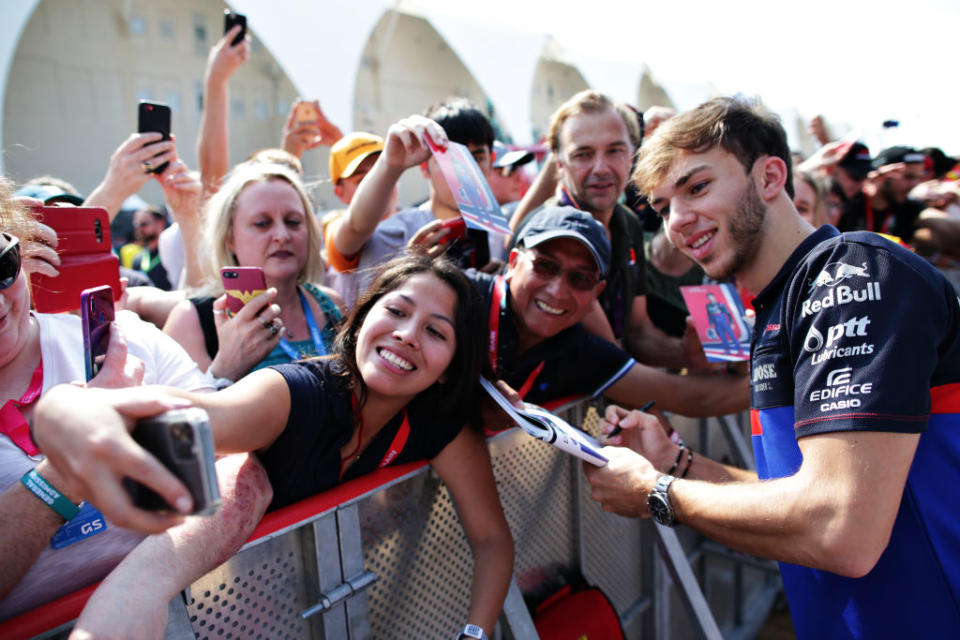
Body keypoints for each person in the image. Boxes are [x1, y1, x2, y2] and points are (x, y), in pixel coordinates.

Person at [585, 96, 960, 638]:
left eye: (696, 187)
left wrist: (656, 493)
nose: (678, 223)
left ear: (769, 176)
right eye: (663, 207)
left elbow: (840, 529)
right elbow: (797, 492)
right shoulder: (779, 308)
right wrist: (676, 462)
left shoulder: (852, 274)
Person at [33, 253, 514, 638]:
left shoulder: (438, 422)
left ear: (451, 364)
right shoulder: (292, 393)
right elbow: (181, 414)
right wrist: (64, 412)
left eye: (435, 331)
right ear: (363, 318)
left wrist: (473, 634)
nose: (408, 336)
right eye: (396, 311)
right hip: (217, 612)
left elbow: (492, 540)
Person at [0, 185, 271, 633]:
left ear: (24, 253)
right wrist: (68, 468)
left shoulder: (123, 337)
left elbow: (242, 473)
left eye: (1, 266)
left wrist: (139, 587)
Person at [472, 206, 748, 416]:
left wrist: (775, 373)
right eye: (545, 266)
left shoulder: (581, 349)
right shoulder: (462, 297)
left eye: (580, 278)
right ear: (513, 263)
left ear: (596, 293)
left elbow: (689, 396)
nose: (557, 290)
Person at [509, 90, 701, 369]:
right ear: (559, 164)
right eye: (583, 154)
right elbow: (613, 361)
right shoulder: (544, 231)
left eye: (614, 151)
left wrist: (688, 353)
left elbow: (638, 333)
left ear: (632, 155)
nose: (601, 168)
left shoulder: (627, 224)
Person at [163, 162, 344, 385]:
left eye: (293, 222)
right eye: (262, 223)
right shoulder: (192, 320)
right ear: (229, 238)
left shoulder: (332, 305)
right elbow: (186, 415)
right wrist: (225, 369)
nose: (282, 235)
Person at [331, 98, 500, 298]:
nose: (466, 172)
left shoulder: (500, 236)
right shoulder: (393, 234)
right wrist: (390, 164)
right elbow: (354, 229)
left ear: (492, 161)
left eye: (478, 158)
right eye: (450, 159)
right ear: (424, 167)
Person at [130, 206, 171, 290]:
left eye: (144, 224)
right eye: (136, 225)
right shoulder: (138, 259)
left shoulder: (172, 254)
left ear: (160, 223)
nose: (139, 229)